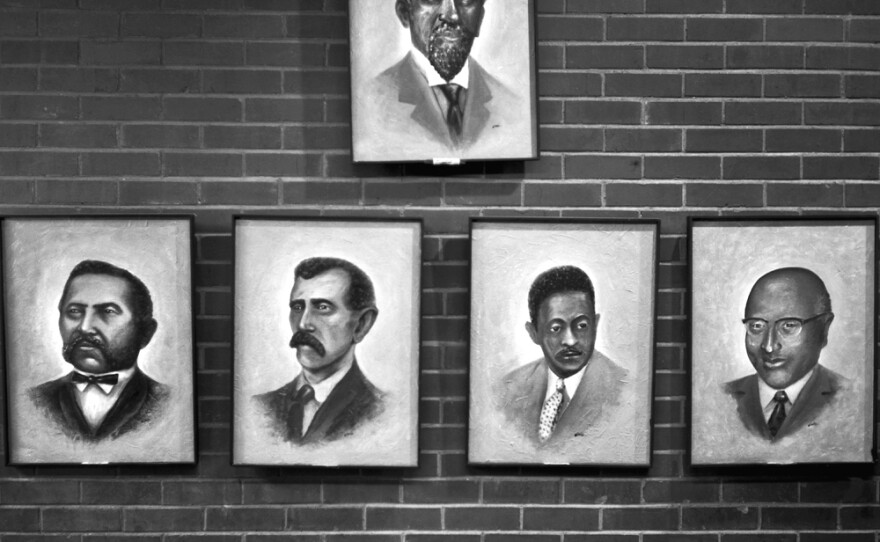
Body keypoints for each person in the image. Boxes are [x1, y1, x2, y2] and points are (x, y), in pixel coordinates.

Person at [353, 0, 532, 161]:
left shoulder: (513, 109)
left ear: (480, 17)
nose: (452, 15)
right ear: (404, 13)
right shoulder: (371, 104)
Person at [29, 260, 168, 441]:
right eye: (74, 311)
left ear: (145, 333)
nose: (85, 328)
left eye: (108, 311)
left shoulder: (169, 404)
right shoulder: (32, 402)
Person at [254, 257, 384, 444]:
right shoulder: (259, 408)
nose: (303, 323)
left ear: (361, 325)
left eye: (323, 307)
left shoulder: (380, 413)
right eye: (298, 307)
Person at [497, 265, 629, 445]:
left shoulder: (625, 391)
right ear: (533, 333)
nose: (570, 340)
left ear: (596, 324)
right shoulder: (507, 390)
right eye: (556, 328)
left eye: (581, 325)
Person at [724, 267, 851, 441]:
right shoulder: (722, 399)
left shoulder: (850, 398)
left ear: (824, 328)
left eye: (789, 326)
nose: (768, 346)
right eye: (757, 326)